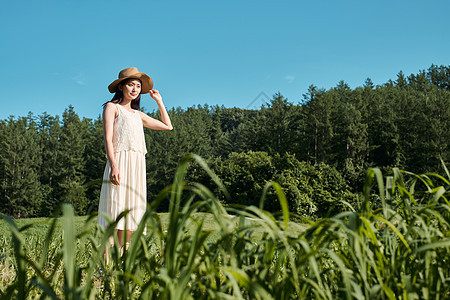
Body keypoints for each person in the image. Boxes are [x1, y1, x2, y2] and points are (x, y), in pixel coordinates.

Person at [97, 67, 173, 258]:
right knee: (114, 215)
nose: (135, 89)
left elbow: (167, 126)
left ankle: (124, 267)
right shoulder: (111, 107)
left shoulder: (138, 115)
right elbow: (107, 138)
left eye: (138, 86)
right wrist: (113, 165)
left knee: (130, 218)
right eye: (131, 84)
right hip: (120, 164)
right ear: (121, 86)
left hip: (137, 168)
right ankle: (105, 269)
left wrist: (159, 101)